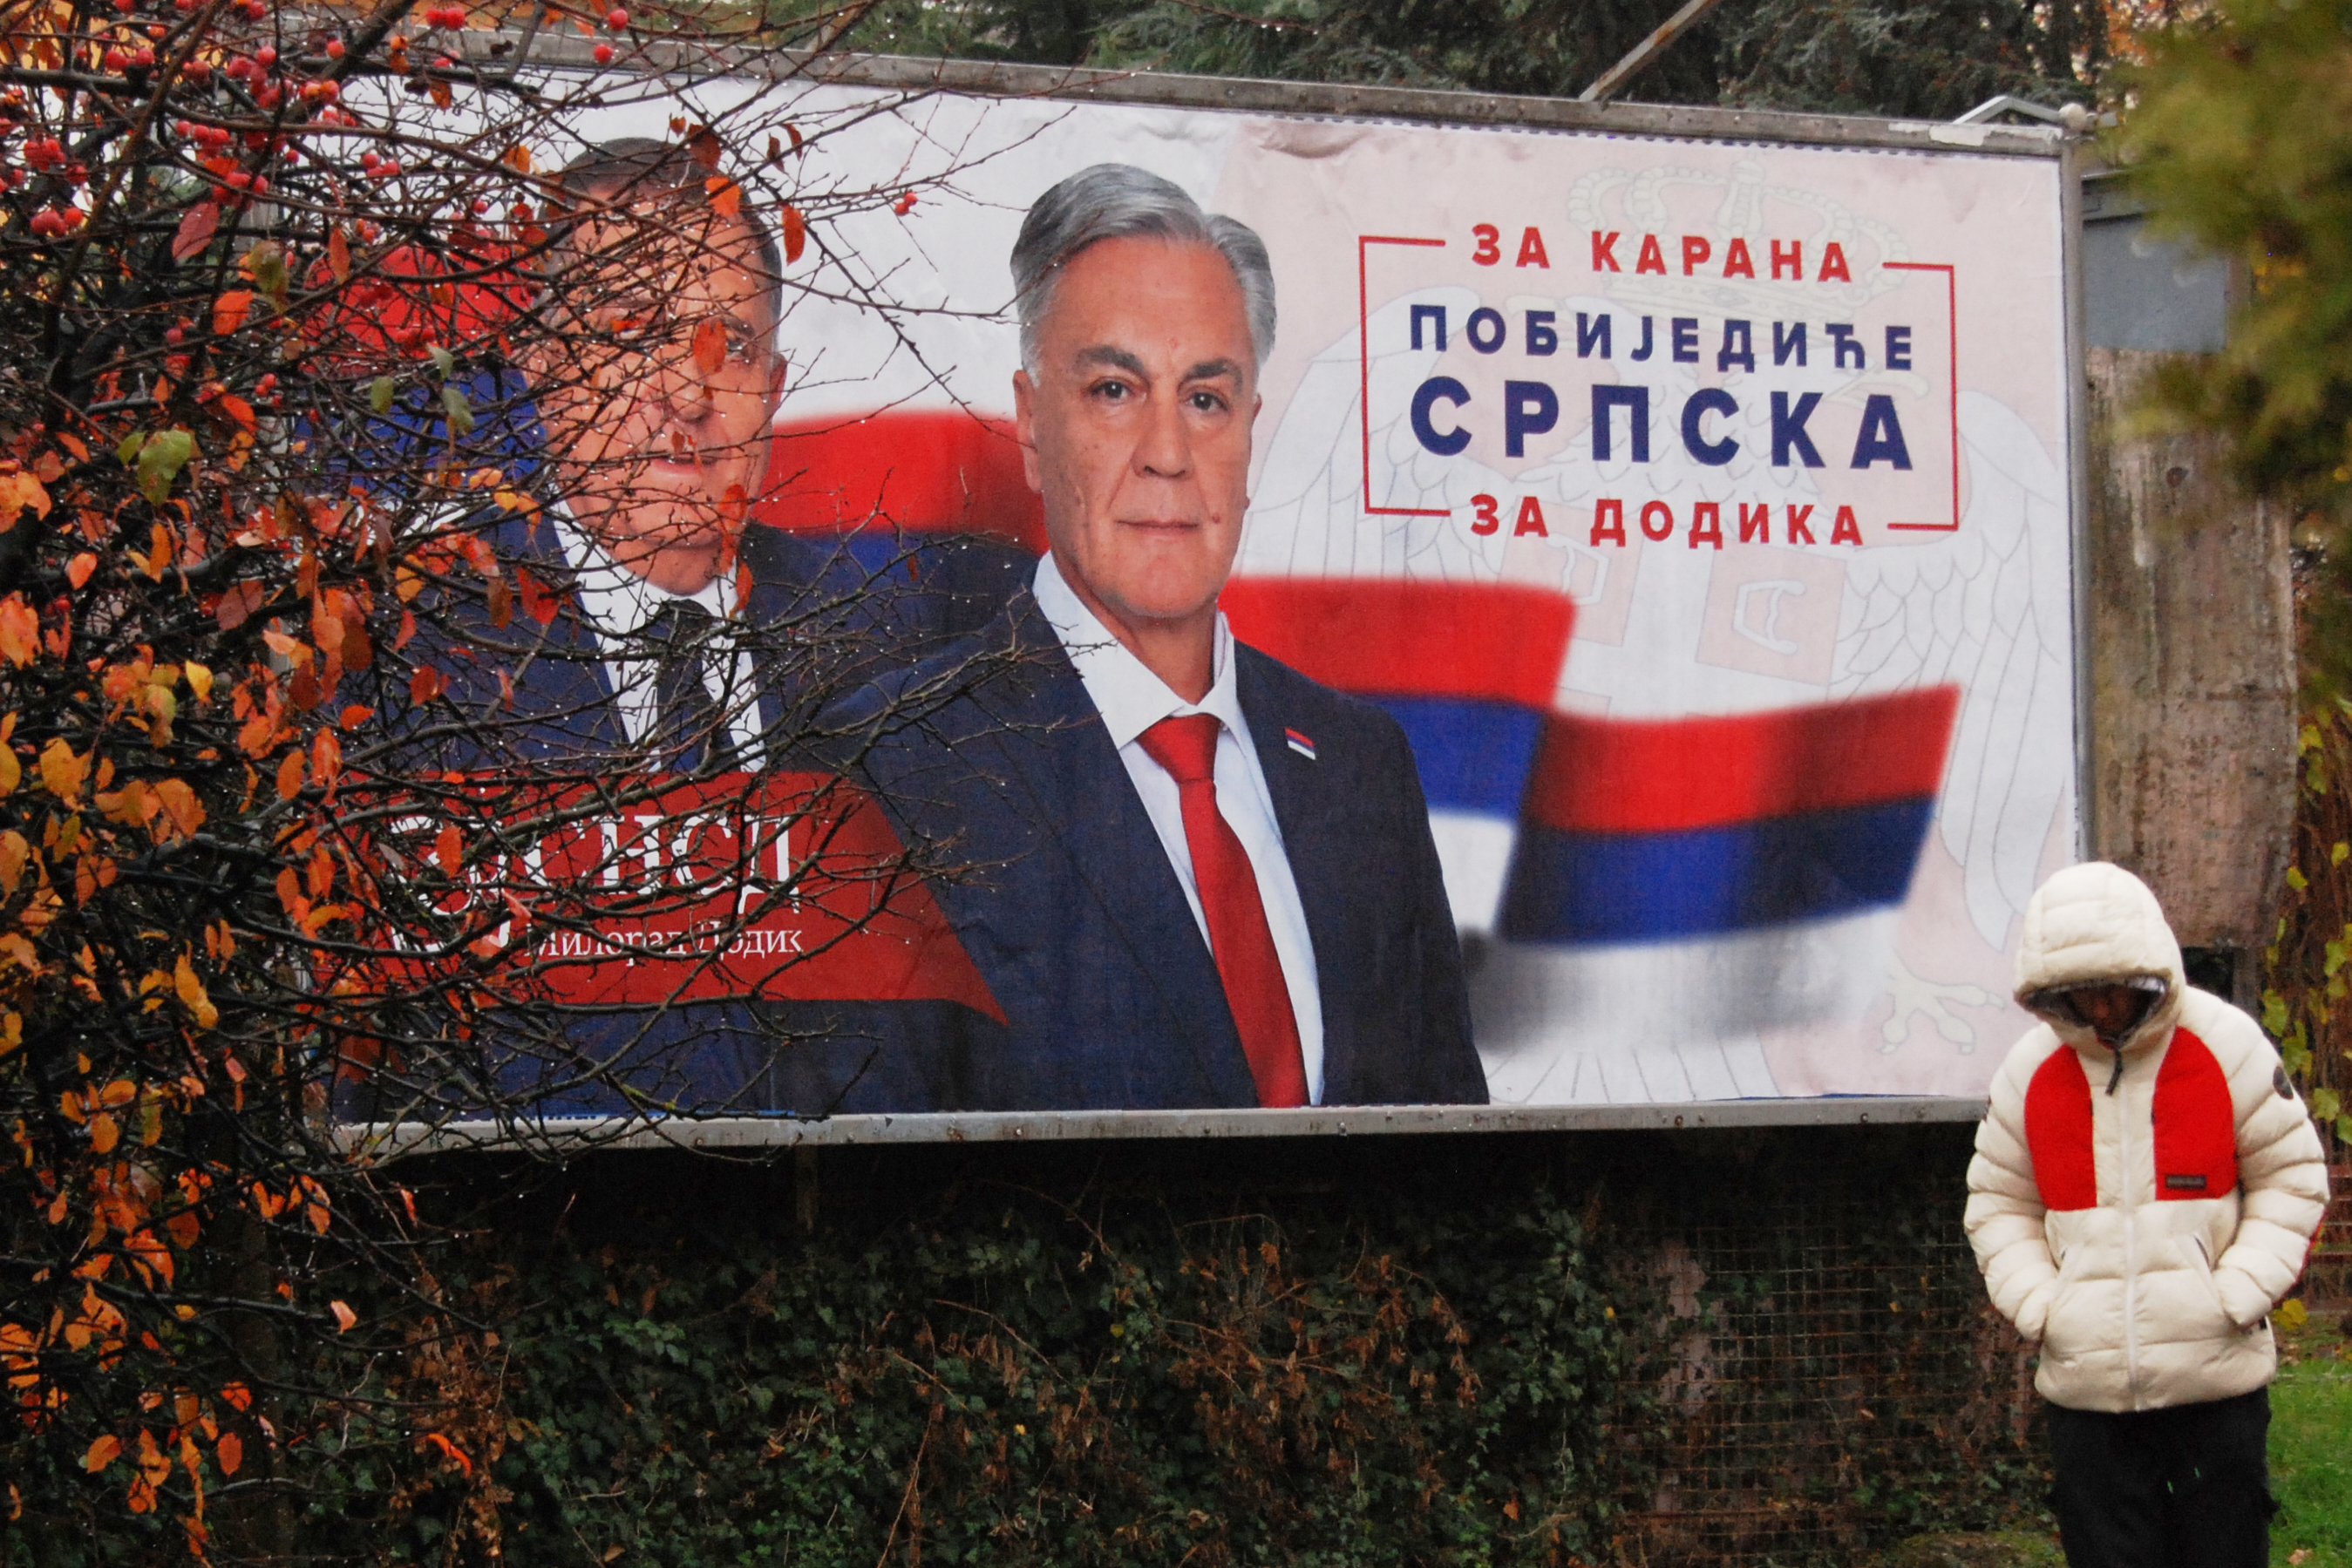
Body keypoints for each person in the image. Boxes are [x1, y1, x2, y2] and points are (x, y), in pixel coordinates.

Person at [367, 138, 994, 1119]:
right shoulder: (411, 657)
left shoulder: (891, 649)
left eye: (729, 345)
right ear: (536, 358)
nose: (689, 392)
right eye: (630, 332)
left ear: (776, 385)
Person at [840, 163, 1485, 1110]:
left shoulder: (1360, 767)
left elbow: (1459, 1160)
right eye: (1113, 389)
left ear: (1249, 431)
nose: (1169, 453)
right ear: (1028, 424)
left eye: (1205, 398)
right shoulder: (893, 768)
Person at [1965, 862, 2330, 1568]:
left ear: (2150, 968)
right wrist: (2046, 1309)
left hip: (2215, 1384)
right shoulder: (2028, 1072)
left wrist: (2236, 1295)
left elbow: (2293, 1175)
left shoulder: (2227, 1045)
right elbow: (1997, 1201)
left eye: (2115, 985)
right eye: (2079, 990)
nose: (2100, 1007)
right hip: (2086, 1392)